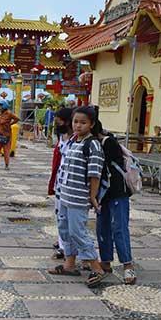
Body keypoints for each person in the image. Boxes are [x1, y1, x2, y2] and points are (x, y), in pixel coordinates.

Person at [47, 106, 110, 288]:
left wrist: (93, 197)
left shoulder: (93, 145)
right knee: (65, 230)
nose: (78, 125)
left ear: (91, 124)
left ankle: (96, 268)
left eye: (83, 122)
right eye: (76, 122)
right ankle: (69, 263)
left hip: (78, 197)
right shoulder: (73, 141)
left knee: (77, 232)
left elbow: (94, 174)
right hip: (65, 194)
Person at [95, 123, 136, 284]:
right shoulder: (85, 143)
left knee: (119, 227)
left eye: (82, 123)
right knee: (102, 227)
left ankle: (128, 265)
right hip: (101, 193)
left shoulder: (107, 143)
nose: (78, 127)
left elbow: (106, 169)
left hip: (117, 191)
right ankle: (105, 261)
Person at [47, 107, 73, 260]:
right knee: (60, 216)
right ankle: (63, 244)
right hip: (60, 182)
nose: (57, 125)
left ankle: (74, 252)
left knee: (72, 220)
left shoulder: (77, 140)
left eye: (59, 122)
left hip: (72, 185)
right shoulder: (61, 137)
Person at [0, 100, 20, 170]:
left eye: (0, 105)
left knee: (6, 150)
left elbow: (17, 119)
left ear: (4, 106)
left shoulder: (9, 113)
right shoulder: (0, 114)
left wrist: (10, 124)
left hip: (6, 135)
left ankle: (7, 165)